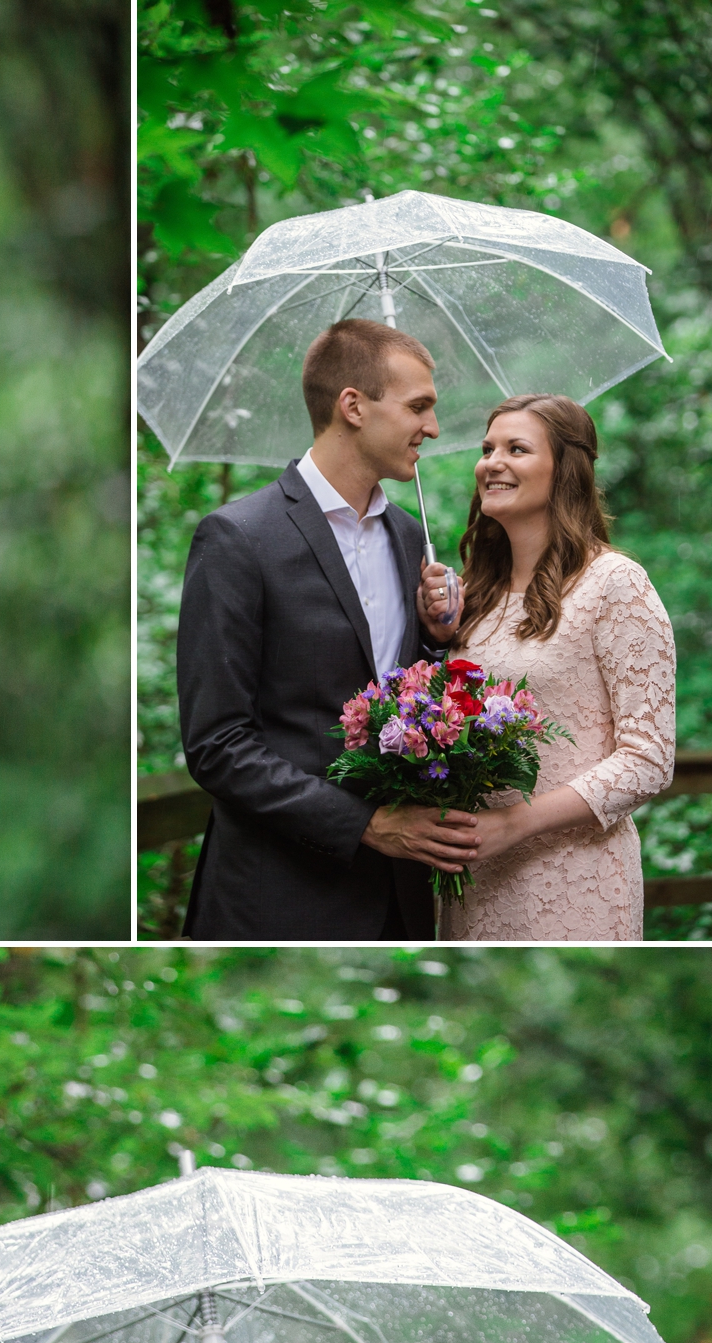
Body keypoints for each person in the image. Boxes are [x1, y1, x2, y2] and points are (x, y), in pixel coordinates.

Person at [177, 319, 481, 940]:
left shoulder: (406, 537)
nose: (434, 428)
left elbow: (393, 696)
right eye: (418, 406)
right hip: (280, 902)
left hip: (398, 904)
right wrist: (365, 823)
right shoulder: (238, 539)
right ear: (353, 406)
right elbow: (217, 744)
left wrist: (438, 641)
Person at [428, 396, 675, 940]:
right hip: (475, 877)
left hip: (573, 877)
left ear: (565, 471)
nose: (492, 462)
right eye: (488, 448)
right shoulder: (477, 594)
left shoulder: (616, 585)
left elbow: (649, 760)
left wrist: (513, 824)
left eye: (516, 449)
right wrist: (437, 637)